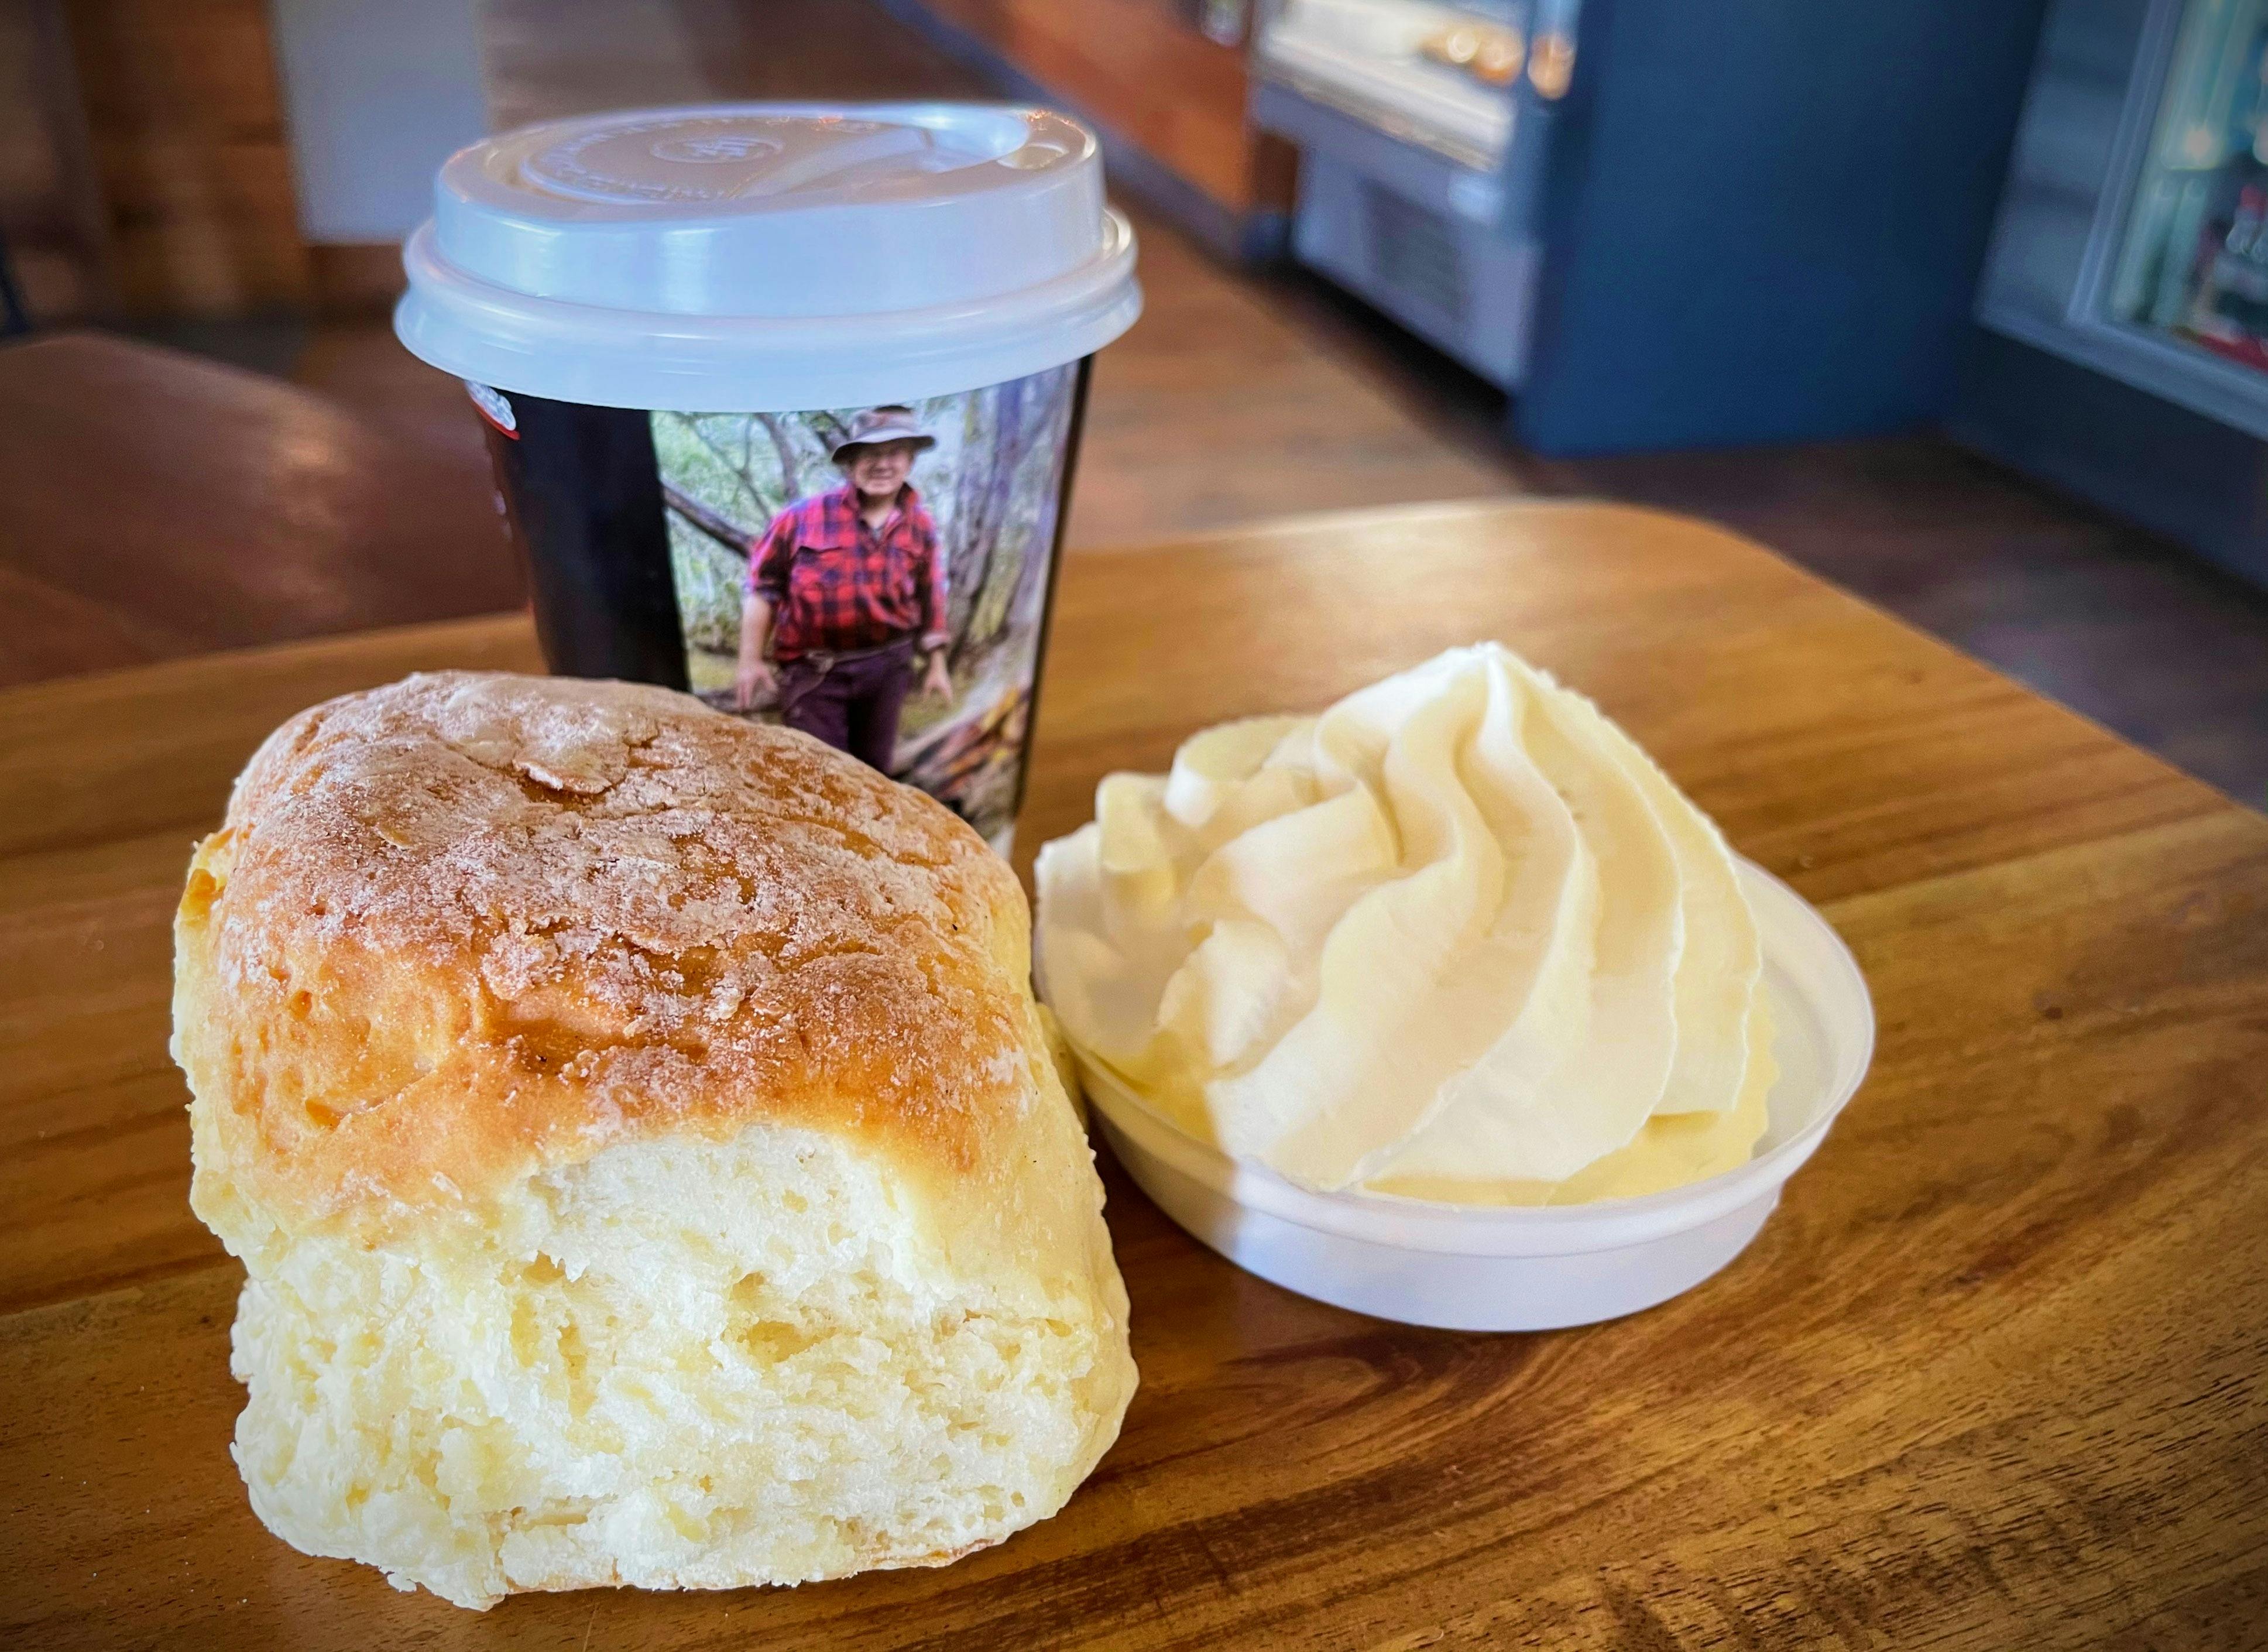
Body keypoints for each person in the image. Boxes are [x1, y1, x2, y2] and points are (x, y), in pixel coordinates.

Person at [732, 406, 955, 772]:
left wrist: (936, 663)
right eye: (870, 453)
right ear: (851, 462)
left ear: (911, 460)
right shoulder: (801, 518)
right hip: (816, 672)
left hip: (888, 667)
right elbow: (763, 588)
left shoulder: (921, 526)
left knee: (875, 775)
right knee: (820, 776)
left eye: (894, 451)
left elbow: (931, 594)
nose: (882, 464)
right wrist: (749, 660)